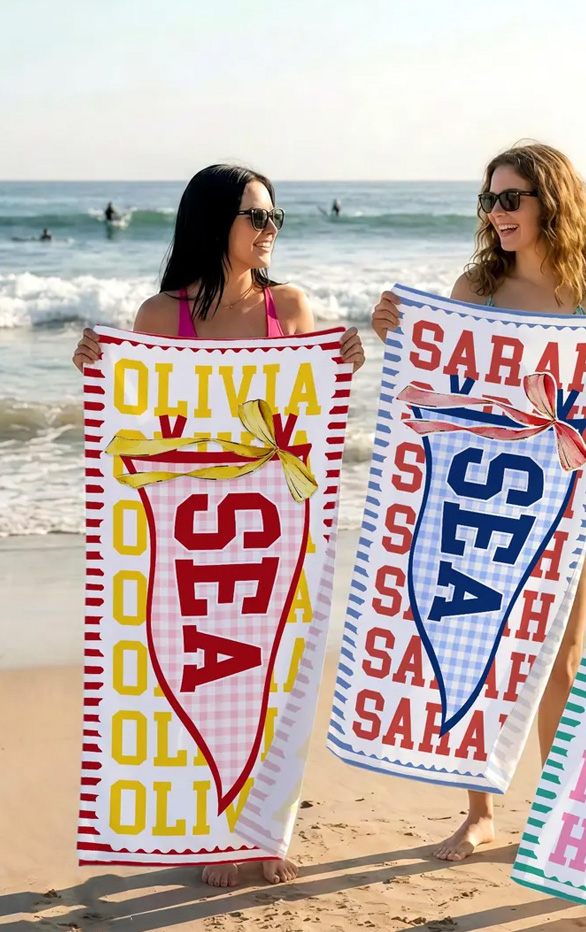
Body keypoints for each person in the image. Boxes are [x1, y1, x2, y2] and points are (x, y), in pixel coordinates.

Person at [72, 163, 365, 888]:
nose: (269, 230)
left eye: (274, 217)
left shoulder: (290, 308)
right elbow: (136, 420)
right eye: (255, 217)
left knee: (276, 673)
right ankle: (210, 830)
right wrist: (97, 364)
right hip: (190, 525)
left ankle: (265, 832)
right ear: (213, 222)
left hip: (273, 524)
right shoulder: (158, 316)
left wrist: (345, 362)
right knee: (198, 670)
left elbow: (309, 413)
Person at [371, 141, 586, 862]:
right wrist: (396, 334)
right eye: (489, 200)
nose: (496, 213)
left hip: (562, 502)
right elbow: (439, 380)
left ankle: (560, 815)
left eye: (509, 199)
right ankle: (480, 814)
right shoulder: (477, 287)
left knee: (562, 660)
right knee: (478, 647)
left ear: (548, 202)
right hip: (476, 494)